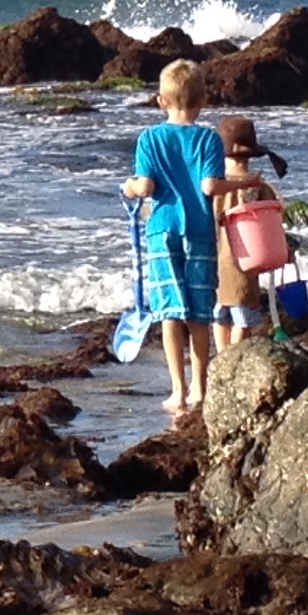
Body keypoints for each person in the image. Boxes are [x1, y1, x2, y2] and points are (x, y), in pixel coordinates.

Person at [122, 59, 224, 410]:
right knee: (199, 313)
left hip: (162, 228)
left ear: (160, 100)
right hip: (198, 229)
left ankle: (177, 390)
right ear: (204, 100)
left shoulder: (149, 137)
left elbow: (147, 186)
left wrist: (131, 187)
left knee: (169, 312)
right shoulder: (209, 137)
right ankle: (200, 387)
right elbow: (210, 185)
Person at [203, 115, 289, 352]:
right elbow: (272, 228)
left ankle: (221, 357)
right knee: (243, 319)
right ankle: (232, 356)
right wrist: (286, 251)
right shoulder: (260, 187)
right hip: (243, 268)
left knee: (219, 316)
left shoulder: (211, 187)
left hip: (211, 264)